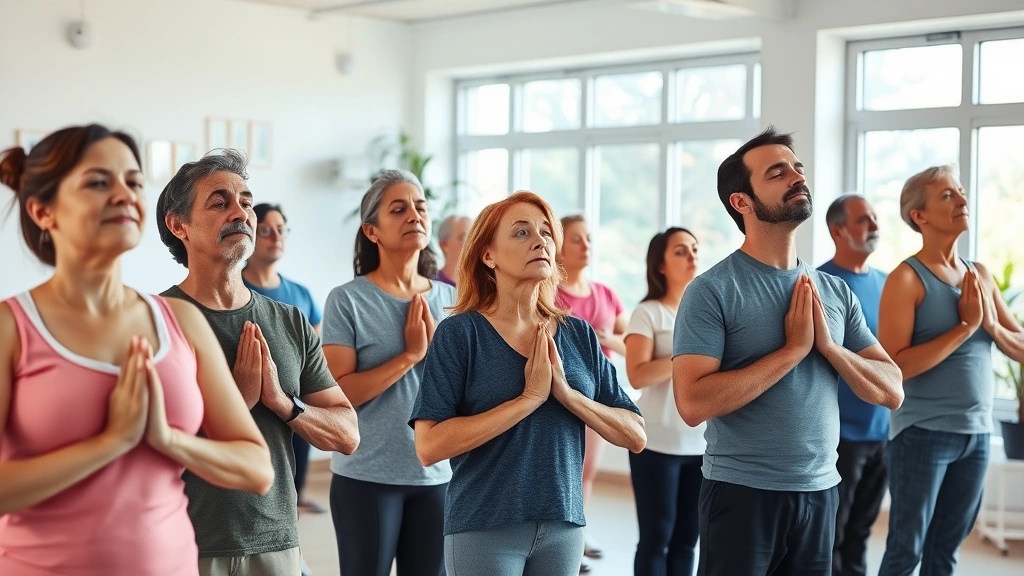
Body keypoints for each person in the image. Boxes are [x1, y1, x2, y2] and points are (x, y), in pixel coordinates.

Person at [0, 125, 273, 576]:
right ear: (43, 211)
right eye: (98, 182)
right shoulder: (12, 328)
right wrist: (110, 443)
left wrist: (168, 440)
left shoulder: (179, 322)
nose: (124, 195)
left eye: (133, 182)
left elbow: (256, 467)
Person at [672, 126, 903, 576]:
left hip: (821, 492)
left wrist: (831, 349)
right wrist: (792, 351)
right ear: (742, 201)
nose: (798, 177)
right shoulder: (712, 291)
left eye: (797, 168)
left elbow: (892, 389)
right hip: (741, 492)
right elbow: (693, 403)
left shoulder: (834, 291)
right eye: (777, 173)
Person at [410, 191, 646, 576]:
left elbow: (636, 434)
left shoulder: (579, 335)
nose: (540, 241)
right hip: (483, 526)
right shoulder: (460, 333)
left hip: (564, 528)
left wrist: (568, 397)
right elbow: (429, 445)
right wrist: (528, 399)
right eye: (521, 233)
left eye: (546, 232)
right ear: (489, 256)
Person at [156, 149, 360, 576]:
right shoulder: (155, 322)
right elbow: (140, 448)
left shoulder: (288, 321)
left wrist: (285, 403)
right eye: (219, 202)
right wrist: (239, 402)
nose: (241, 213)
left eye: (246, 201)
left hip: (276, 544)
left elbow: (347, 434)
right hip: (183, 545)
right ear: (179, 226)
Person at [877, 165, 1024, 576]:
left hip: (976, 434)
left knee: (946, 552)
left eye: (960, 192)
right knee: (906, 551)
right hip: (922, 434)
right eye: (947, 195)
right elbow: (894, 368)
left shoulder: (981, 276)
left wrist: (990, 325)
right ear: (918, 216)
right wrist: (966, 328)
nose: (962, 200)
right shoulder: (906, 279)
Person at [321, 170, 454, 576]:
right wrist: (411, 355)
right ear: (372, 231)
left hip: (437, 476)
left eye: (420, 207)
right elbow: (339, 393)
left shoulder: (452, 299)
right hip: (366, 476)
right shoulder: (347, 301)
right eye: (398, 209)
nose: (414, 215)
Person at [625, 227, 706, 576]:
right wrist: (686, 352)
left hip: (702, 446)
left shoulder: (708, 312)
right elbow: (638, 375)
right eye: (680, 251)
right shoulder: (648, 313)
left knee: (688, 539)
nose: (692, 256)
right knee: (657, 537)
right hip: (656, 444)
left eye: (694, 249)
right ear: (660, 265)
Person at [818, 194, 889, 576]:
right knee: (831, 536)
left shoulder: (890, 284)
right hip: (840, 436)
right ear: (838, 230)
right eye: (864, 220)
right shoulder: (817, 283)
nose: (875, 226)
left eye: (875, 218)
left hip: (884, 431)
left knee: (862, 533)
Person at [242, 202, 326, 516]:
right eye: (266, 230)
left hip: (294, 399)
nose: (275, 236)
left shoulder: (301, 294)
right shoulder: (235, 290)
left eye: (281, 229)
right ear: (250, 234)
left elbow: (315, 353)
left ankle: (296, 503)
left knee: (296, 467)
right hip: (250, 404)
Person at [556, 214, 629, 567]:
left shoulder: (606, 295)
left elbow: (632, 343)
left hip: (597, 396)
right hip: (559, 396)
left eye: (588, 239)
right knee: (562, 471)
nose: (585, 246)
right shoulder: (550, 294)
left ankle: (579, 532)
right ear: (559, 246)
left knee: (586, 471)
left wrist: (606, 339)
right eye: (576, 239)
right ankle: (564, 541)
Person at [436, 214, 473, 286]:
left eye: (473, 238)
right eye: (463, 238)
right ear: (444, 245)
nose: (471, 244)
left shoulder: (482, 287)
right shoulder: (431, 287)